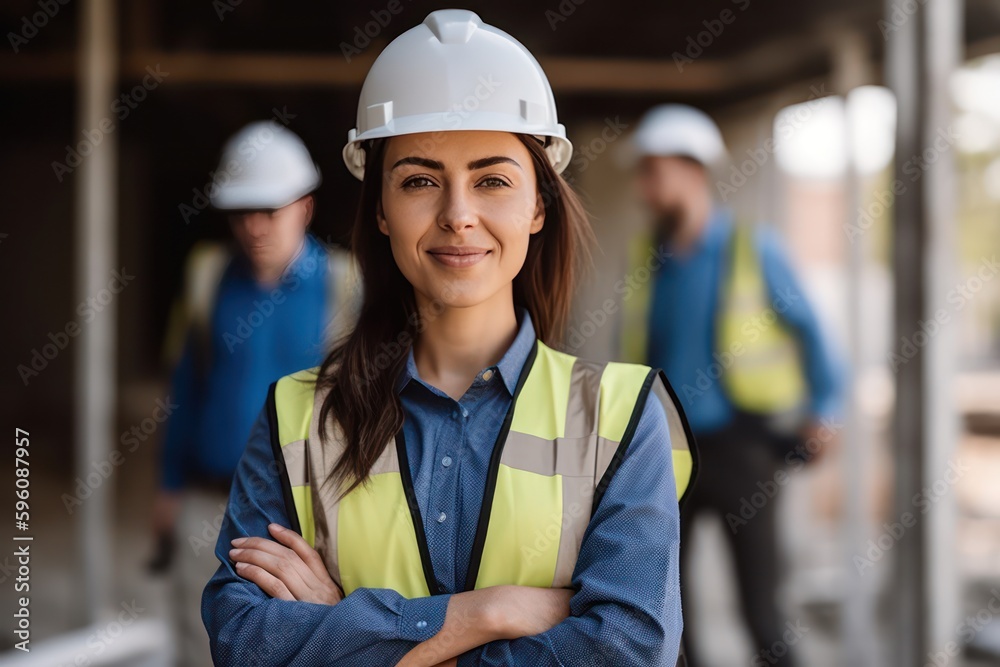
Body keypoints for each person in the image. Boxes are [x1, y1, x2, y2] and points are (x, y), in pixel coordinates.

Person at [202, 10, 698, 667]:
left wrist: (348, 628)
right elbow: (245, 643)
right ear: (380, 207)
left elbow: (627, 652)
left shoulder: (624, 418)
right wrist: (483, 613)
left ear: (538, 205)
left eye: (492, 180)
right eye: (419, 181)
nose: (458, 214)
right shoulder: (298, 418)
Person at [619, 104, 843, 667]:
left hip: (744, 451)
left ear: (692, 170)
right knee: (668, 608)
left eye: (653, 171)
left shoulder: (751, 249)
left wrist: (827, 408)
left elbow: (815, 335)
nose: (644, 187)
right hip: (667, 455)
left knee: (760, 610)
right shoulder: (652, 258)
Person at [154, 121, 356, 667]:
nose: (253, 227)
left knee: (294, 648)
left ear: (305, 207)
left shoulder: (348, 287)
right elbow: (185, 386)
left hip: (303, 514)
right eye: (241, 211)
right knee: (198, 647)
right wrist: (168, 486)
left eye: (269, 210)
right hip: (208, 502)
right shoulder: (207, 277)